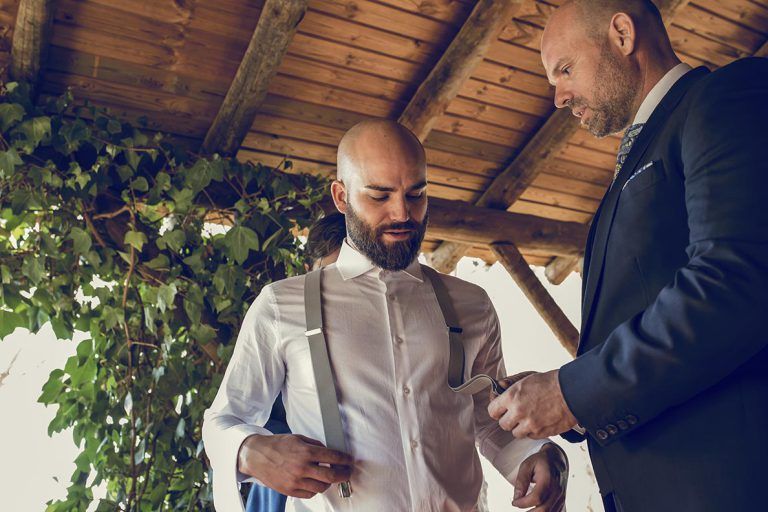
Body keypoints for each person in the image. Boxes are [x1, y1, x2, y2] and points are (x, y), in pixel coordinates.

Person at [486, 1, 768, 511]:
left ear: (621, 33)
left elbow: (733, 282)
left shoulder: (725, 98)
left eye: (565, 70)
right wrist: (562, 401)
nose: (557, 97)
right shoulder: (632, 164)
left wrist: (572, 392)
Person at [203, 119, 569, 512]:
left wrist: (532, 455)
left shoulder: (472, 304)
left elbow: (485, 418)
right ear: (341, 197)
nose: (402, 213)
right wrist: (250, 451)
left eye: (416, 194)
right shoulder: (280, 305)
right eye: (380, 196)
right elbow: (222, 421)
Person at [244, 213, 347, 512]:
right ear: (309, 272)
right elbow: (241, 421)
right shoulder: (283, 326)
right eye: (331, 275)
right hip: (289, 486)